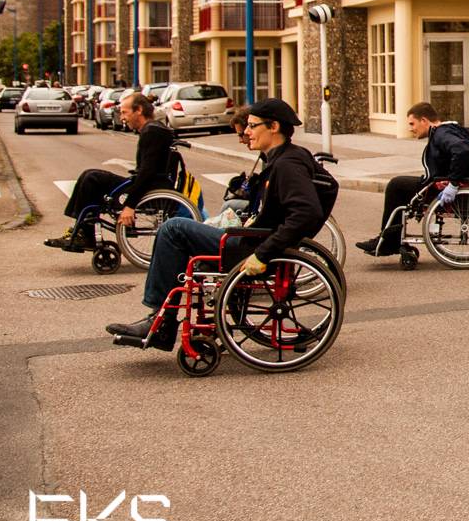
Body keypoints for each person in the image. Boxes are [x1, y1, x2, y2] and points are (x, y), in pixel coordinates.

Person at [105, 99, 327, 349]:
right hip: (254, 236)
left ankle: (160, 319)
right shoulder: (286, 156)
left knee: (173, 228)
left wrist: (263, 253)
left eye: (252, 126)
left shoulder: (287, 164)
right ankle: (162, 317)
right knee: (183, 231)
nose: (247, 132)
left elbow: (306, 212)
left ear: (274, 127)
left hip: (252, 246)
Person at [44, 91, 177, 252]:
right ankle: (82, 230)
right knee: (89, 175)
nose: (122, 118)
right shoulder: (153, 129)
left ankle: (84, 234)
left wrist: (130, 205)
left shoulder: (152, 132)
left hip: (151, 188)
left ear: (139, 110)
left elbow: (147, 173)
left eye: (124, 112)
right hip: (152, 184)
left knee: (92, 178)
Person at [355, 102, 469, 257]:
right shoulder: (445, 132)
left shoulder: (442, 134)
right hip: (440, 184)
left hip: (440, 188)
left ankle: (389, 242)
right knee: (400, 186)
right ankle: (390, 239)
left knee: (396, 185)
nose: (411, 128)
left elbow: (461, 150)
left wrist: (453, 184)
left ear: (424, 120)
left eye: (412, 123)